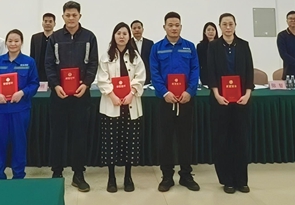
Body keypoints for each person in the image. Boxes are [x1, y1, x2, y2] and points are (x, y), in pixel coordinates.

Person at [44, 1, 99, 192]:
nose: (71, 18)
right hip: (59, 95)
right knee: (57, 134)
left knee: (79, 135)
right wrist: (55, 85)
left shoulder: (89, 37)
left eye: (74, 15)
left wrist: (86, 84)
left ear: (79, 16)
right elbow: (49, 64)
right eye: (67, 15)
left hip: (81, 95)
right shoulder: (55, 38)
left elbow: (93, 63)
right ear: (63, 17)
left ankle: (78, 174)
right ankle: (56, 172)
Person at [150, 11, 200, 192]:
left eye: (177, 25)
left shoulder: (189, 47)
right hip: (166, 101)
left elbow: (195, 70)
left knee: (186, 139)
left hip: (186, 100)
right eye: (170, 25)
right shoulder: (157, 48)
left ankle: (186, 175)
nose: (174, 28)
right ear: (164, 27)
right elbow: (154, 73)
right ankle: (167, 176)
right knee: (165, 140)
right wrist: (164, 92)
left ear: (181, 27)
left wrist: (190, 91)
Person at [204, 13, 254, 194]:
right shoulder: (213, 46)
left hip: (241, 100)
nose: (227, 27)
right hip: (220, 101)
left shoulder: (244, 45)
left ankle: (241, 180)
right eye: (224, 24)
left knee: (240, 140)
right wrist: (217, 94)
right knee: (222, 140)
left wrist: (247, 94)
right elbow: (211, 71)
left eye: (230, 24)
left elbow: (249, 71)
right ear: (220, 26)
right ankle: (227, 180)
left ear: (235, 25)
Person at [97, 22, 146, 193]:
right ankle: (111, 178)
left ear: (129, 36)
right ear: (114, 36)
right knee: (110, 143)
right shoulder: (106, 56)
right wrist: (112, 95)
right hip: (112, 104)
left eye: (125, 33)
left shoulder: (135, 56)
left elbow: (140, 77)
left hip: (130, 105)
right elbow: (102, 79)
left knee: (129, 143)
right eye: (118, 33)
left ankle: (128, 177)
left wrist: (132, 93)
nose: (122, 36)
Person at [0, 29, 39, 180]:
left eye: (16, 41)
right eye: (10, 41)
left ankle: (19, 175)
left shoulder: (29, 62)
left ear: (21, 43)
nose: (13, 44)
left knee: (19, 143)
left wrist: (22, 92)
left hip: (20, 110)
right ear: (6, 43)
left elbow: (34, 84)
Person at [29, 12, 56, 82]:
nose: (47, 23)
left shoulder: (58, 37)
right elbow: (32, 55)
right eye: (45, 21)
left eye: (50, 21)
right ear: (42, 23)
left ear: (54, 24)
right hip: (39, 71)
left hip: (53, 71)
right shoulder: (35, 37)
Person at [130, 20, 154, 84]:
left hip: (147, 75)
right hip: (133, 75)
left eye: (139, 28)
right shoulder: (128, 43)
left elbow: (152, 60)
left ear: (142, 29)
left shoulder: (150, 43)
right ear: (131, 30)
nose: (137, 30)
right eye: (134, 28)